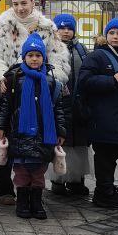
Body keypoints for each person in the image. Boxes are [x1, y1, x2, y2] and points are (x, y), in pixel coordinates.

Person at [0, 0, 69, 205]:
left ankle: (32, 186)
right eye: (16, 4)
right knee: (4, 139)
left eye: (24, 3)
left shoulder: (47, 28)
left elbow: (58, 57)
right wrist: (1, 78)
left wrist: (54, 79)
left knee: (34, 141)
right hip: (11, 91)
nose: (20, 8)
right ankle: (3, 188)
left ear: (33, 3)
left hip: (39, 92)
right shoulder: (0, 28)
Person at [0, 33, 68, 220]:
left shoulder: (51, 81)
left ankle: (36, 201)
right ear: (24, 57)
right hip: (20, 133)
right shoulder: (14, 78)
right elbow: (6, 106)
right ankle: (22, 202)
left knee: (38, 171)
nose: (34, 59)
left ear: (44, 57)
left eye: (38, 55)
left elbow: (58, 108)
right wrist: (1, 127)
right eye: (30, 55)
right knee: (21, 171)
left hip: (44, 134)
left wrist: (60, 130)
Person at [78, 19, 118, 209]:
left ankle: (108, 189)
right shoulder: (97, 56)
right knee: (104, 156)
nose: (115, 37)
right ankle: (103, 193)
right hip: (102, 116)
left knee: (112, 155)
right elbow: (85, 81)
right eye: (111, 33)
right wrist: (110, 80)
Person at [49, 13, 92, 198]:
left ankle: (77, 180)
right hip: (59, 104)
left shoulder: (82, 49)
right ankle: (57, 180)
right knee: (61, 141)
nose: (66, 32)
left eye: (69, 28)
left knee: (79, 144)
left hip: (79, 104)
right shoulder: (51, 49)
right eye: (62, 28)